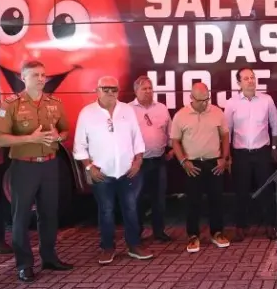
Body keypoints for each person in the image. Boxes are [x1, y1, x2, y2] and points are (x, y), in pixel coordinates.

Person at [0, 60, 73, 282]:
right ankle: (24, 265)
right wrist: (31, 138)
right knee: (20, 217)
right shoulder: (10, 104)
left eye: (43, 75)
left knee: (49, 214)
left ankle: (49, 257)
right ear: (23, 78)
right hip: (24, 167)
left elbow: (65, 131)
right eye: (35, 75)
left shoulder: (55, 103)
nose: (41, 79)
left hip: (49, 165)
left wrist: (58, 137)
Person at [73, 76, 154, 264]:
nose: (110, 92)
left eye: (114, 89)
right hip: (102, 174)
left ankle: (134, 245)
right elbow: (79, 145)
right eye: (106, 89)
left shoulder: (127, 110)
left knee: (131, 209)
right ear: (97, 90)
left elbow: (137, 138)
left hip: (128, 171)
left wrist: (138, 161)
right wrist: (89, 167)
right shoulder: (87, 113)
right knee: (106, 211)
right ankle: (107, 248)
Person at [171, 82, 231, 253]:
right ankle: (193, 236)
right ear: (191, 97)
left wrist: (224, 158)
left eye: (207, 99)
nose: (204, 104)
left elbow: (225, 136)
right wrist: (183, 161)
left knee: (216, 200)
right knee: (193, 202)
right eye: (200, 100)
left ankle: (217, 233)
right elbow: (175, 141)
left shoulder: (217, 112)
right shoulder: (181, 116)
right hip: (192, 165)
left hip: (214, 163)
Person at [224, 68, 277, 241]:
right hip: (240, 154)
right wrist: (227, 156)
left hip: (262, 152)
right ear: (239, 83)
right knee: (241, 191)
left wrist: (273, 148)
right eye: (246, 78)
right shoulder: (232, 103)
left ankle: (270, 226)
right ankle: (240, 227)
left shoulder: (266, 100)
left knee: (266, 190)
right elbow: (227, 131)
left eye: (252, 77)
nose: (250, 81)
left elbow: (275, 126)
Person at [130, 75, 174, 242]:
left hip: (158, 160)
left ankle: (159, 231)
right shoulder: (128, 110)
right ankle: (136, 232)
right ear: (136, 91)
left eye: (150, 88)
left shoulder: (161, 108)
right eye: (144, 89)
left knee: (159, 199)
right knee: (137, 199)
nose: (148, 91)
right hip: (138, 163)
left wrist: (172, 150)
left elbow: (170, 132)